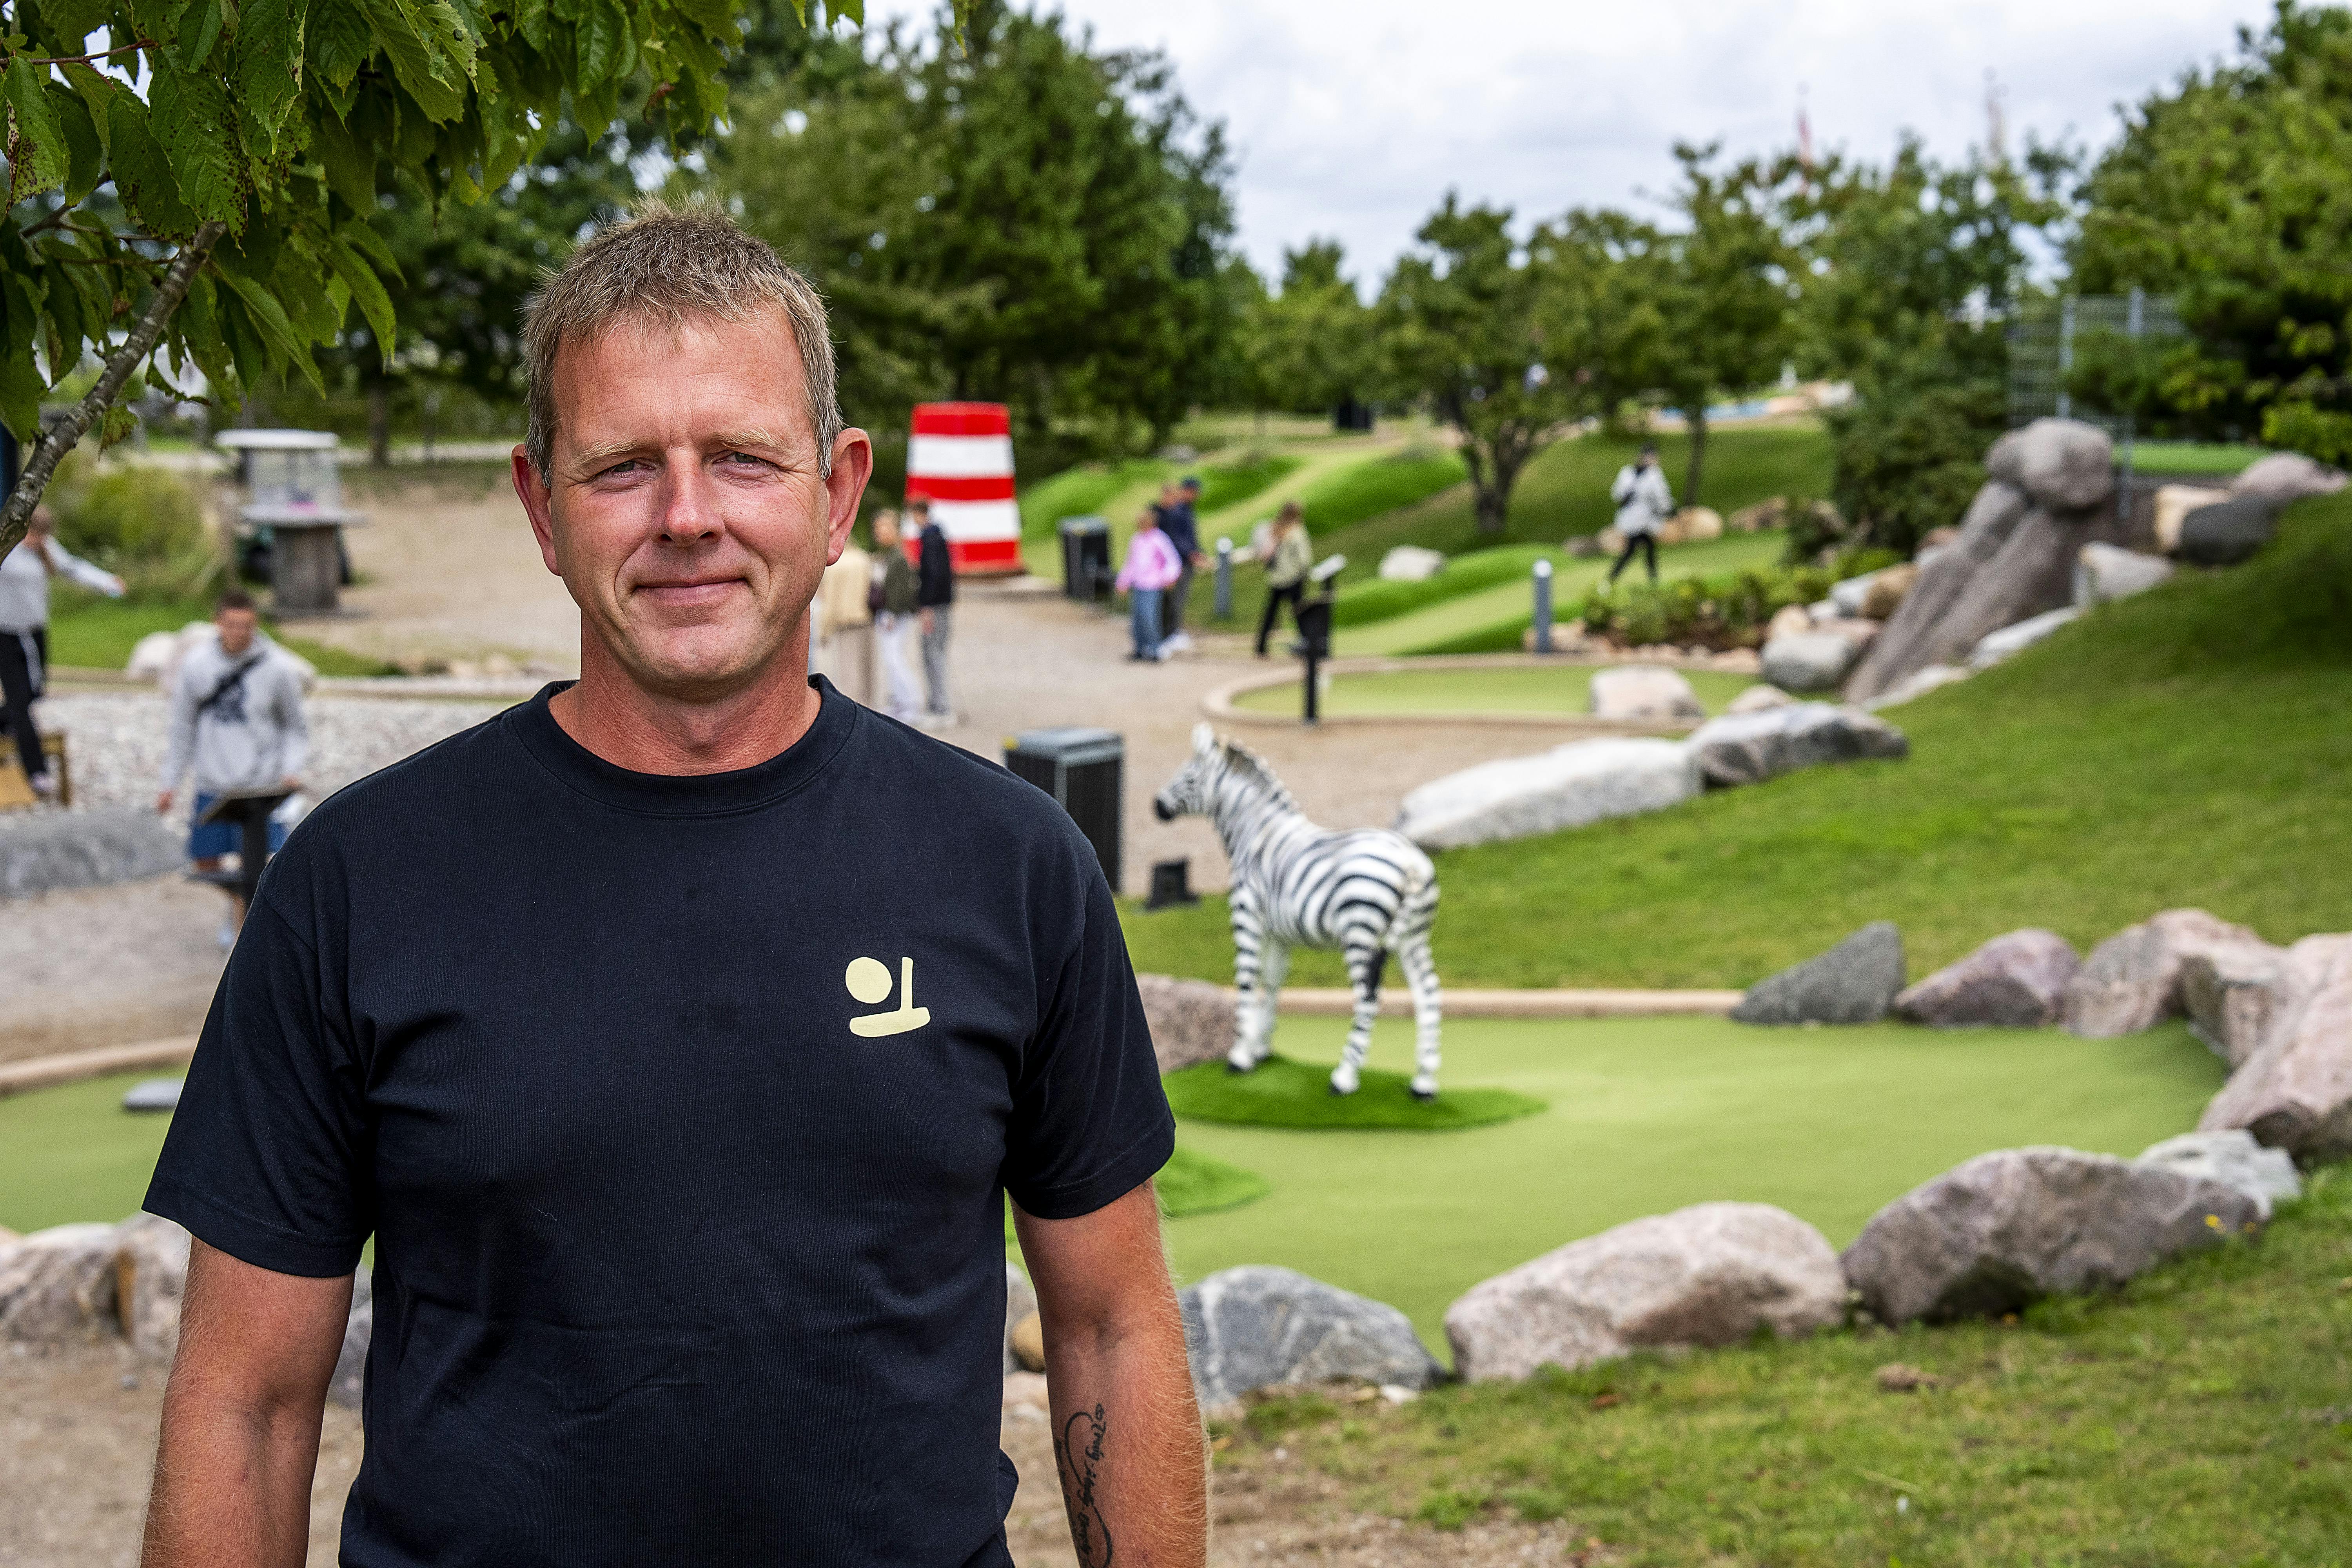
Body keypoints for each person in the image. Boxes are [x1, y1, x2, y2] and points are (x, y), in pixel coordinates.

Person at [138, 201, 1206, 1568]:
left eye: (744, 459)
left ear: (837, 494)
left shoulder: (1012, 867)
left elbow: (1115, 1329)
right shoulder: (356, 882)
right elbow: (247, 1403)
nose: (687, 517)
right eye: (624, 467)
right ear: (540, 504)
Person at [155, 589, 308, 940]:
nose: (239, 633)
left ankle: (248, 923)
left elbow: (296, 727)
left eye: (247, 626)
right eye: (232, 625)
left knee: (265, 861)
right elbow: (181, 729)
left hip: (261, 787)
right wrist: (169, 783)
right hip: (213, 783)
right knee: (205, 862)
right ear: (218, 623)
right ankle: (236, 904)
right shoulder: (196, 666)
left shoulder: (278, 668)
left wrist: (291, 768)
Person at [0, 504, 124, 797]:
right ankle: (38, 771)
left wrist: (106, 582)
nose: (37, 542)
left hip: (34, 634)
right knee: (20, 703)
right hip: (5, 634)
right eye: (33, 535)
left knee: (34, 693)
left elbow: (74, 568)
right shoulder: (7, 548)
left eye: (42, 537)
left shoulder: (46, 549)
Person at [870, 507, 925, 720]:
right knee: (890, 659)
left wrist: (892, 614)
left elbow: (901, 590)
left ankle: (912, 702)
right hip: (889, 614)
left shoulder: (899, 557)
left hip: (895, 616)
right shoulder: (889, 555)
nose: (879, 533)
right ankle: (900, 702)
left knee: (895, 659)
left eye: (883, 528)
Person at [812, 518, 874, 705]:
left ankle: (856, 707)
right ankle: (869, 705)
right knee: (867, 667)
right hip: (864, 618)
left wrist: (823, 631)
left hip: (844, 622)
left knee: (849, 669)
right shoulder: (864, 559)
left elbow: (829, 601)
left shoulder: (834, 567)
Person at [910, 493, 956, 728]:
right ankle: (937, 703)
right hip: (944, 602)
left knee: (932, 652)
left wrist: (926, 604)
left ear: (920, 514)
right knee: (936, 650)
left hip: (935, 605)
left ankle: (941, 706)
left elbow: (934, 574)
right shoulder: (940, 535)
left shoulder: (930, 538)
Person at [1115, 505, 1183, 661]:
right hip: (1138, 585)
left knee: (1149, 617)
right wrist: (1123, 582)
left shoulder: (1159, 539)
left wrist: (1169, 577)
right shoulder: (1137, 540)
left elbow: (1173, 561)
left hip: (1153, 585)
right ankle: (1139, 648)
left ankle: (1155, 648)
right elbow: (1131, 563)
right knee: (1137, 618)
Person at [1253, 501, 1314, 657]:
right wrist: (1305, 571)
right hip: (1293, 577)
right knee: (1300, 611)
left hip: (1276, 578)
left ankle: (1261, 645)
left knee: (1271, 613)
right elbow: (1304, 558)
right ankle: (1307, 643)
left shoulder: (1275, 528)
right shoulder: (1297, 531)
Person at [1607, 442, 1674, 584]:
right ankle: (1613, 579)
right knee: (1634, 551)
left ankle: (1652, 579)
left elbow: (1661, 496)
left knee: (1645, 549)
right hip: (1631, 520)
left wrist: (1668, 509)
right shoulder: (1628, 473)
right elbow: (1617, 494)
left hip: (1646, 520)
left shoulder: (1654, 474)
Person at [1158, 475, 1205, 650]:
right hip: (1179, 561)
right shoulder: (1178, 511)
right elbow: (1176, 538)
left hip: (1185, 559)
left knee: (1179, 598)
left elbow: (1190, 536)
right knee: (1176, 599)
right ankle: (1171, 633)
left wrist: (1198, 551)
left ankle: (1173, 631)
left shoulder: (1186, 509)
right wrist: (1190, 553)